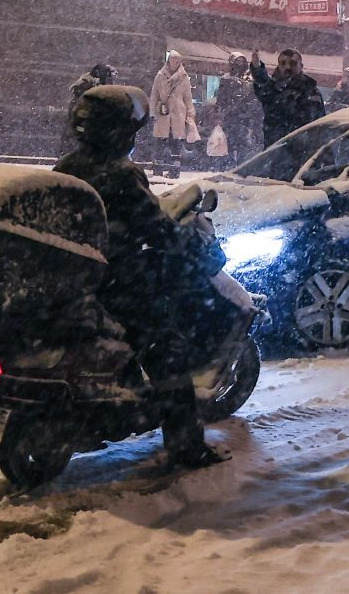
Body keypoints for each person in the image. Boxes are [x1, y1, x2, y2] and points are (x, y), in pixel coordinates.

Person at [55, 84, 226, 468]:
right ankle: (186, 447)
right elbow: (154, 226)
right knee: (169, 354)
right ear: (120, 132)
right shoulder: (121, 174)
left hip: (73, 281)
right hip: (115, 283)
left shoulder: (68, 167)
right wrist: (185, 241)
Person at [250, 48, 325, 148]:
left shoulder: (310, 91)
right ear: (278, 66)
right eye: (283, 63)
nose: (288, 67)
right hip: (274, 150)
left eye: (293, 63)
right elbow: (263, 87)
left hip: (302, 152)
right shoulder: (274, 89)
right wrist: (257, 69)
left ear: (301, 66)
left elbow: (315, 122)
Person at [149, 50, 200, 176]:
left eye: (177, 61)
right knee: (160, 142)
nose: (175, 63)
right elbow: (154, 95)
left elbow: (188, 97)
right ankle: (157, 169)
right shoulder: (160, 76)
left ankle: (175, 171)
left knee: (175, 143)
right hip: (163, 112)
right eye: (173, 60)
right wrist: (153, 112)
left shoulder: (184, 77)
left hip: (178, 113)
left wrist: (190, 113)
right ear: (169, 60)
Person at [58, 64, 118, 158]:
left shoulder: (93, 92)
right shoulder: (88, 92)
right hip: (81, 138)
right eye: (109, 79)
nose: (112, 83)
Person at [214, 51, 262, 165]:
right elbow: (221, 98)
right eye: (237, 61)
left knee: (243, 145)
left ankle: (240, 166)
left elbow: (254, 97)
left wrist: (250, 108)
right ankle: (229, 165)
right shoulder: (226, 79)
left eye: (242, 61)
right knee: (229, 144)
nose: (240, 64)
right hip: (230, 117)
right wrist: (222, 110)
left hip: (245, 118)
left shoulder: (249, 79)